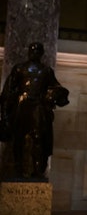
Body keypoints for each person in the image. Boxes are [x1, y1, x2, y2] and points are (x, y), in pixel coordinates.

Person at [0, 42, 69, 179]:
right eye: (32, 50)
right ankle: (18, 169)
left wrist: (57, 95)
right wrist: (5, 113)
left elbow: (56, 87)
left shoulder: (46, 71)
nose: (34, 52)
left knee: (39, 137)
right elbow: (9, 90)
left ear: (41, 53)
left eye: (37, 50)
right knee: (18, 138)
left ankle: (38, 170)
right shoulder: (19, 69)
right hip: (22, 104)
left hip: (38, 105)